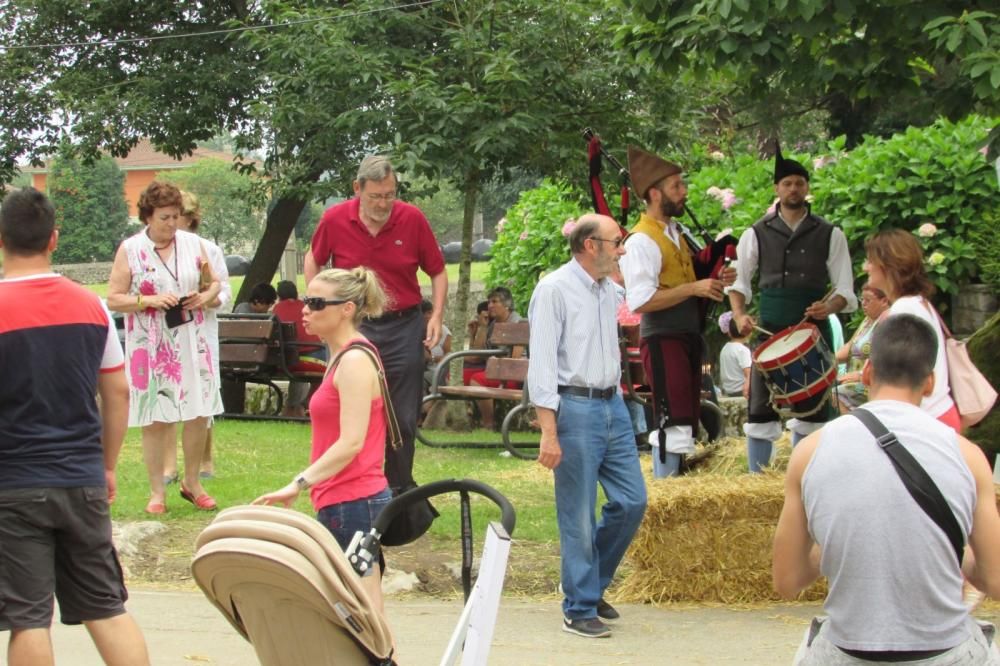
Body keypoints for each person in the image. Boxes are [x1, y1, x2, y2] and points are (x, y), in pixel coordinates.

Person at [773, 313, 1000, 664]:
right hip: (946, 654)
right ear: (929, 382)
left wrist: (830, 548)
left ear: (866, 374)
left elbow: (786, 580)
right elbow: (996, 579)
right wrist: (961, 555)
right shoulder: (969, 457)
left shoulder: (809, 452)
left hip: (848, 653)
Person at [0, 188, 150, 665]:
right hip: (81, 476)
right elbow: (117, 392)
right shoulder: (92, 306)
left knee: (28, 616)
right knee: (106, 606)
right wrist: (105, 466)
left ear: (1, 238)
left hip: (14, 482)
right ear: (54, 239)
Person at [528, 213, 647, 639]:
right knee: (577, 514)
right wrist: (548, 430)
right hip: (574, 407)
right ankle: (579, 606)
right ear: (590, 245)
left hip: (612, 404)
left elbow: (643, 296)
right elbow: (541, 366)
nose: (622, 249)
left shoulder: (606, 289)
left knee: (632, 501)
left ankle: (590, 584)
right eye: (616, 242)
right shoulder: (553, 290)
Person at [304, 155, 447, 494]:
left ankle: (399, 489)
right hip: (355, 324)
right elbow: (313, 258)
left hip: (403, 325)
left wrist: (437, 315)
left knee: (402, 415)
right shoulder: (335, 218)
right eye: (376, 196)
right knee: (350, 410)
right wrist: (317, 301)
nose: (383, 203)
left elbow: (438, 270)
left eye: (390, 195)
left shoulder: (412, 219)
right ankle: (348, 485)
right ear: (357, 189)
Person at [253, 267, 392, 613]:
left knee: (360, 608)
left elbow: (351, 442)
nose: (305, 310)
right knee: (360, 603)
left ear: (346, 309)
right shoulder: (342, 357)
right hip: (344, 499)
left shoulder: (355, 361)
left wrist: (298, 483)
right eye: (305, 300)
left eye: (315, 303)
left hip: (354, 500)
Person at [729, 145, 857, 473]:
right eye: (787, 183)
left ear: (807, 188)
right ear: (777, 189)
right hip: (769, 329)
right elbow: (739, 284)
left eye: (800, 182)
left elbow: (845, 290)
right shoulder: (755, 233)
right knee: (760, 408)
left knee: (814, 412)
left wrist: (827, 307)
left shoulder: (831, 233)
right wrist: (741, 315)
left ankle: (808, 477)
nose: (794, 189)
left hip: (813, 331)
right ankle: (759, 482)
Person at [107, 180, 223, 514]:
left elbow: (213, 281)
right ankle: (157, 491)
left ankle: (192, 481)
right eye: (164, 218)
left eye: (175, 217)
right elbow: (115, 297)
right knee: (155, 417)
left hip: (192, 336)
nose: (172, 224)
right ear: (147, 217)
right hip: (151, 341)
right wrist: (148, 300)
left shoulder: (193, 244)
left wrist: (204, 296)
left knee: (199, 412)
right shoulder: (130, 249)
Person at [620, 145, 735, 478]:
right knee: (671, 418)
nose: (684, 193)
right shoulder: (641, 240)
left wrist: (714, 277)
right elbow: (640, 300)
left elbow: (689, 277)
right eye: (676, 187)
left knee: (684, 415)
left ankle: (675, 484)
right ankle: (666, 489)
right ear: (655, 193)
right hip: (663, 337)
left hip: (684, 335)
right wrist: (695, 289)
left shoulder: (674, 233)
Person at [162, 191, 231, 480]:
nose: (175, 224)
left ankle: (205, 461)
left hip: (201, 330)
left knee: (204, 396)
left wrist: (208, 299)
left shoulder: (208, 250)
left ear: (192, 219)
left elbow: (224, 290)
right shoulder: (156, 248)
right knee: (166, 396)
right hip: (167, 330)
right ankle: (168, 466)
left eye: (181, 218)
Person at [865, 229, 960, 432]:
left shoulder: (904, 309)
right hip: (939, 413)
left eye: (870, 261)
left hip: (927, 419)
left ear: (887, 265)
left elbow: (899, 374)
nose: (866, 268)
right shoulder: (919, 303)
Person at [468, 286, 524, 430]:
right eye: (489, 302)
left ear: (507, 305)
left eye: (494, 301)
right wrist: (481, 328)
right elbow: (476, 356)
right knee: (452, 373)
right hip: (495, 369)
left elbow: (516, 359)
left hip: (513, 374)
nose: (490, 305)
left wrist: (499, 371)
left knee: (476, 380)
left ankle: (489, 423)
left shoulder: (518, 323)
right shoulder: (493, 324)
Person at [273, 280, 326, 418]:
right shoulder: (305, 307)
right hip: (315, 354)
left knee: (297, 370)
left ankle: (296, 405)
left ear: (279, 295)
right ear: (295, 293)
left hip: (289, 358)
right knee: (321, 371)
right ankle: (305, 404)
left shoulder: (277, 309)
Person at [834, 283, 890, 413]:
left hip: (871, 383)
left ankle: (855, 429)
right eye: (862, 299)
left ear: (884, 301)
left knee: (837, 393)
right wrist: (830, 360)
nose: (863, 303)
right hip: (854, 379)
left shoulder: (888, 321)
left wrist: (860, 375)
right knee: (829, 387)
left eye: (868, 300)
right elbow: (851, 345)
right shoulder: (867, 321)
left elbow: (886, 359)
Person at [718, 311, 752, 399]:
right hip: (742, 391)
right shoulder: (742, 350)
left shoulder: (725, 348)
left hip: (729, 392)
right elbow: (749, 373)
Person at [422, 298, 452, 390]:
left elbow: (451, 358)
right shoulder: (416, 332)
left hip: (439, 372)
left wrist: (432, 358)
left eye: (430, 313)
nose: (428, 316)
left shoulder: (443, 331)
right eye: (425, 313)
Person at [462, 300, 490, 385]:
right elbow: (473, 352)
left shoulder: (486, 327)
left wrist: (483, 326)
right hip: (481, 365)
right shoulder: (482, 329)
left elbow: (475, 357)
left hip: (485, 367)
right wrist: (472, 335)